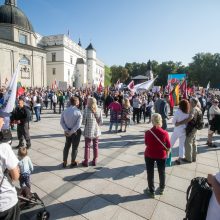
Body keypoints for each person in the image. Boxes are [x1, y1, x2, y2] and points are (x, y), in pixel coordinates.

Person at [144, 113, 171, 198]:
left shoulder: (148, 132)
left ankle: (151, 191)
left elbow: (146, 143)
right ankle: (161, 188)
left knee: (150, 172)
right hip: (161, 155)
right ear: (160, 121)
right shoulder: (165, 133)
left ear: (152, 121)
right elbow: (169, 145)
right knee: (161, 172)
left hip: (149, 154)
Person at [0, 110, 20, 220]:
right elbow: (16, 176)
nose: (3, 123)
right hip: (5, 202)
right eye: (2, 119)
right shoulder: (3, 147)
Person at [176, 98, 202, 163]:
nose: (189, 103)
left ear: (193, 103)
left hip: (191, 128)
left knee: (188, 142)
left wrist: (180, 123)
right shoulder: (198, 108)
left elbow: (190, 117)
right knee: (193, 142)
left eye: (190, 102)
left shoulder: (193, 109)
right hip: (195, 128)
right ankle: (194, 157)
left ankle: (188, 158)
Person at [60, 96, 82, 168]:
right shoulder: (78, 112)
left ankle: (64, 161)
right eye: (78, 101)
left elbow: (62, 122)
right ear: (76, 102)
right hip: (75, 132)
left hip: (68, 131)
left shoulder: (65, 111)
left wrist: (66, 130)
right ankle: (73, 161)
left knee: (67, 146)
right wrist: (72, 131)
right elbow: (78, 125)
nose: (79, 102)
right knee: (74, 147)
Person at [82, 97, 103, 167]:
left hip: (88, 131)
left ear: (88, 102)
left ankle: (86, 161)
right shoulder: (99, 110)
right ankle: (95, 160)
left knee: (87, 146)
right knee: (95, 146)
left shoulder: (86, 110)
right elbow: (101, 122)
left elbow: (83, 122)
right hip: (96, 131)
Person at [170, 99, 190, 164]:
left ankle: (166, 155)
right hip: (184, 130)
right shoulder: (188, 112)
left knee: (170, 143)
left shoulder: (178, 112)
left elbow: (173, 122)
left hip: (177, 129)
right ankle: (180, 159)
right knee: (181, 145)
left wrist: (176, 122)